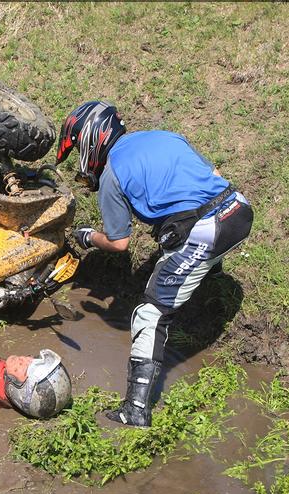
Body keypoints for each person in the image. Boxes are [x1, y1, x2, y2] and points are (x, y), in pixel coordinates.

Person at [56, 101, 253, 428]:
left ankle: (135, 409)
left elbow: (119, 244)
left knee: (148, 313)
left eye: (78, 145)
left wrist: (89, 237)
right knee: (178, 246)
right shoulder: (163, 136)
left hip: (208, 229)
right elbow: (213, 174)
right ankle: (205, 285)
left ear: (92, 138)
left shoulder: (111, 175)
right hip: (239, 210)